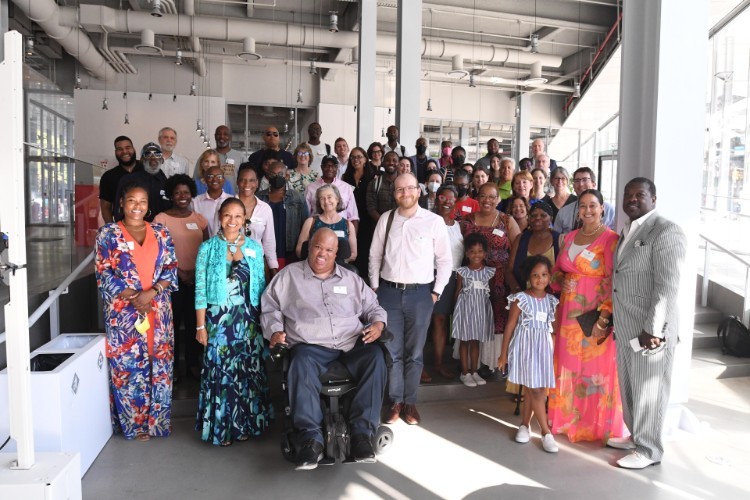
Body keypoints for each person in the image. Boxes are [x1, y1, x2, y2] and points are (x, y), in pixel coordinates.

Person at [261, 228, 388, 470]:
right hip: (310, 346)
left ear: (336, 252)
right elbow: (270, 307)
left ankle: (362, 435)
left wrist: (379, 324)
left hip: (351, 342)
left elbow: (373, 307)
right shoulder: (289, 276)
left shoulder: (351, 279)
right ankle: (311, 440)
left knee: (376, 356)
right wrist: (275, 331)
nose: (322, 254)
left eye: (329, 250)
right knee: (299, 360)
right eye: (318, 247)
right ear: (309, 246)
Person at [609, 178, 687, 469]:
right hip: (626, 324)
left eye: (639, 194)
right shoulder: (628, 230)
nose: (632, 199)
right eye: (628, 195)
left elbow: (667, 286)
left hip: (650, 329)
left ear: (653, 199)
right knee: (630, 385)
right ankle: (636, 436)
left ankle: (650, 449)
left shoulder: (666, 231)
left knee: (649, 390)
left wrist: (653, 329)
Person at [94, 183, 177, 440]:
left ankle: (157, 423)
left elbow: (171, 268)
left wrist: (150, 294)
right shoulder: (107, 234)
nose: (137, 206)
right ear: (121, 203)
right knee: (128, 367)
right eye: (132, 200)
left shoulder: (161, 232)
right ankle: (135, 425)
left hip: (157, 309)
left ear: (148, 204)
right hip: (124, 313)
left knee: (159, 363)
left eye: (142, 201)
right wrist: (134, 297)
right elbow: (103, 272)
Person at [370, 173, 452, 426]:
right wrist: (374, 289)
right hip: (389, 293)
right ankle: (395, 401)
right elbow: (374, 256)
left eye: (409, 188)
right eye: (399, 189)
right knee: (392, 352)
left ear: (419, 191)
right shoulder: (387, 219)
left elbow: (445, 260)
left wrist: (436, 291)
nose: (404, 193)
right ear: (394, 194)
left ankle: (410, 401)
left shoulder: (433, 221)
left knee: (415, 353)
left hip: (421, 294)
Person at [548, 189, 625, 444]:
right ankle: (568, 419)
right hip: (568, 311)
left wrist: (606, 316)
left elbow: (614, 279)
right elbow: (558, 271)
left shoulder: (610, 239)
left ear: (602, 208)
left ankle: (592, 425)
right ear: (577, 210)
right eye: (583, 206)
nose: (588, 210)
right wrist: (562, 280)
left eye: (593, 205)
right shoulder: (569, 237)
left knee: (594, 370)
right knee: (568, 365)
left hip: (595, 313)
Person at [194, 198, 273, 446]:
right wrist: (200, 326)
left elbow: (261, 288)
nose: (232, 221)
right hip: (219, 320)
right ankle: (224, 428)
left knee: (248, 371)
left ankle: (247, 424)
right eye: (227, 215)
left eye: (238, 216)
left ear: (245, 219)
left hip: (249, 319)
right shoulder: (207, 248)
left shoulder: (254, 247)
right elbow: (200, 290)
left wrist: (266, 323)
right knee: (222, 372)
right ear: (219, 216)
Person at [499, 255, 560, 453]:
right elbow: (510, 325)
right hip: (525, 347)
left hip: (543, 349)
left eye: (544, 275)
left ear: (550, 277)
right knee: (534, 390)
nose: (540, 279)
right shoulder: (521, 299)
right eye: (535, 275)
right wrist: (503, 353)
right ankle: (545, 432)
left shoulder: (552, 301)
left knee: (537, 391)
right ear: (528, 277)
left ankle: (524, 425)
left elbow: (555, 329)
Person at [459, 182, 521, 374]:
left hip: (500, 279)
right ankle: (474, 366)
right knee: (476, 319)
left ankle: (496, 362)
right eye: (483, 196)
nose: (487, 200)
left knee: (499, 318)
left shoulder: (507, 220)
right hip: (473, 278)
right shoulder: (467, 220)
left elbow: (517, 248)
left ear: (498, 199)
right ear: (477, 197)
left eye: (492, 197)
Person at [153, 175, 209, 381]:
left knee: (195, 322)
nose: (182, 196)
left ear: (192, 193)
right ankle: (174, 366)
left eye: (186, 192)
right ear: (171, 195)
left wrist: (195, 273)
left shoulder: (199, 220)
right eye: (177, 192)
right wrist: (178, 272)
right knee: (172, 325)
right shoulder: (160, 220)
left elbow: (207, 251)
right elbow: (158, 253)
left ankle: (194, 363)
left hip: (196, 281)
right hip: (170, 281)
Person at [428, 185, 463, 381]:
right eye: (444, 198)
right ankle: (426, 365)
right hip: (431, 275)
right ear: (437, 199)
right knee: (429, 321)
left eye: (452, 199)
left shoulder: (458, 225)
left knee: (444, 321)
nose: (448, 202)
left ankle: (440, 363)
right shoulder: (428, 222)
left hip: (453, 277)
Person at [453, 233, 495, 388]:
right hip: (465, 309)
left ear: (484, 253)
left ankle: (474, 370)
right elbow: (458, 291)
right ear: (466, 254)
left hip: (480, 310)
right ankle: (465, 373)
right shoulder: (462, 271)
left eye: (479, 251)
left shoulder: (489, 272)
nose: (476, 254)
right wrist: (456, 312)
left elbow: (488, 292)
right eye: (472, 251)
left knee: (475, 341)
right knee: (464, 341)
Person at [257, 160, 309, 269]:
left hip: (290, 252)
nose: (276, 177)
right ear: (268, 176)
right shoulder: (259, 198)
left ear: (286, 176)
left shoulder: (298, 198)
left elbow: (306, 225)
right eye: (273, 174)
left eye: (280, 174)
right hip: (264, 252)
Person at [296, 184, 357, 266]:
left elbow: (353, 254)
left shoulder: (348, 225)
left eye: (329, 197)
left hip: (340, 270)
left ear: (337, 199)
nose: (326, 201)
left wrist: (331, 263)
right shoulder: (310, 222)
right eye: (322, 198)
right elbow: (299, 251)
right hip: (314, 268)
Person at [506, 201, 560, 294]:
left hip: (553, 298)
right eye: (533, 215)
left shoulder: (559, 240)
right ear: (528, 219)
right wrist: (517, 290)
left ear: (551, 218)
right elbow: (509, 270)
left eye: (543, 215)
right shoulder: (520, 239)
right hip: (523, 297)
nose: (538, 218)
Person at [236, 165, 279, 276]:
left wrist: (273, 269)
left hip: (257, 264)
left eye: (251, 180)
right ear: (237, 182)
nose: (247, 184)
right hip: (231, 263)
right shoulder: (226, 205)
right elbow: (217, 235)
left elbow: (269, 242)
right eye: (243, 180)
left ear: (257, 183)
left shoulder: (265, 209)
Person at [113, 142, 171, 222]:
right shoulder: (128, 180)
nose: (153, 157)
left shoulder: (168, 183)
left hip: (161, 231)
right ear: (142, 159)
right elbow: (118, 210)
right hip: (134, 230)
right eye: (148, 154)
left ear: (162, 159)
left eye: (157, 154)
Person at [342, 147, 377, 279]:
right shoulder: (345, 178)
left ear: (365, 159)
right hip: (351, 220)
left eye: (359, 157)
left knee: (366, 251)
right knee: (351, 250)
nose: (356, 160)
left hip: (368, 219)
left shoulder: (373, 177)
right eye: (353, 157)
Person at [304, 155, 359, 230]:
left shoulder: (346, 187)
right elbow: (305, 215)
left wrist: (352, 237)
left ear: (337, 168)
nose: (330, 169)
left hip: (341, 230)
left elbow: (353, 216)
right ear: (321, 167)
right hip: (318, 230)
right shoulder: (310, 188)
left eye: (333, 166)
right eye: (326, 166)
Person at [553, 167, 615, 234]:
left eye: (585, 180)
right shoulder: (563, 212)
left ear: (593, 184)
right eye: (577, 181)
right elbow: (556, 238)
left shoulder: (609, 210)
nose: (581, 184)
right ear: (573, 186)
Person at [99, 136, 143, 223]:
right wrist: (112, 228)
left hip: (149, 226)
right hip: (122, 227)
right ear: (115, 152)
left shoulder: (147, 170)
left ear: (133, 149)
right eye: (120, 149)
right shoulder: (108, 176)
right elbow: (105, 206)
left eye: (128, 147)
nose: (124, 152)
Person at [192, 125, 246, 193]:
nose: (222, 137)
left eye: (225, 134)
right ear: (215, 136)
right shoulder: (207, 155)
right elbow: (196, 177)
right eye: (219, 134)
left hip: (233, 196)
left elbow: (247, 178)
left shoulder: (240, 157)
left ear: (230, 137)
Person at [193, 165, 233, 236]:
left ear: (224, 180)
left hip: (227, 245)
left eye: (219, 177)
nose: (215, 179)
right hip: (204, 244)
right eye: (210, 176)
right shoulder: (195, 202)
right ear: (205, 180)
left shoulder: (232, 200)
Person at [366, 150, 399, 222]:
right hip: (380, 225)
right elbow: (371, 207)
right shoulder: (374, 183)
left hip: (400, 225)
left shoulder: (404, 183)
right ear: (383, 163)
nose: (391, 163)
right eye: (388, 160)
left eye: (394, 160)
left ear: (398, 163)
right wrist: (384, 222)